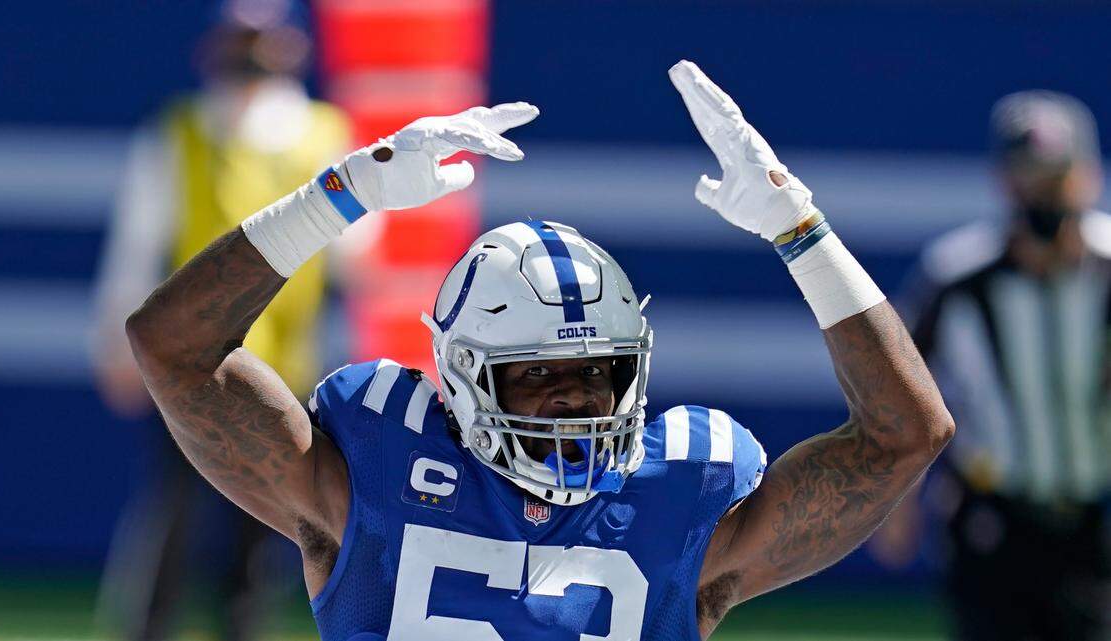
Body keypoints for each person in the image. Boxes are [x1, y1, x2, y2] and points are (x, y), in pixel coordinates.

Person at [123, 61, 954, 640]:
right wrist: (342, 193)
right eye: (537, 374)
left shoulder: (683, 506)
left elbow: (907, 435)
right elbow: (171, 349)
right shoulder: (363, 485)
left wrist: (799, 229)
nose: (576, 397)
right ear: (457, 377)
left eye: (598, 370)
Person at [90, 2, 350, 639]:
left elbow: (358, 258)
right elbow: (137, 242)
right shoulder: (182, 132)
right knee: (172, 515)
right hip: (188, 363)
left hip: (284, 367)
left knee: (266, 526)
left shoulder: (322, 135)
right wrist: (115, 342)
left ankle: (241, 628)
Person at [882, 90, 1111, 640]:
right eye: (1029, 176)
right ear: (1005, 180)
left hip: (1095, 520)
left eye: (1056, 176)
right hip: (993, 519)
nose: (1043, 192)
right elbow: (897, 388)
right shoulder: (958, 280)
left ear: (1089, 175)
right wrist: (895, 500)